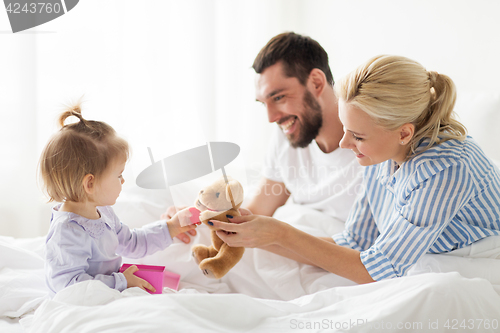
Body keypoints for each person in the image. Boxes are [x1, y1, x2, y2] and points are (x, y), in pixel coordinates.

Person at [210, 55, 500, 284]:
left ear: (404, 133)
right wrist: (260, 236)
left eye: (357, 136)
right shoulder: (381, 155)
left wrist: (282, 234)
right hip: (424, 253)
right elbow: (356, 243)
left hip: (479, 259)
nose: (344, 143)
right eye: (346, 129)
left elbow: (378, 269)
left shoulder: (445, 170)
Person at [169, 32, 362, 243]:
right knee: (175, 235)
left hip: (329, 251)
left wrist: (279, 237)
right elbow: (257, 211)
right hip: (295, 243)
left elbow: (368, 250)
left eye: (279, 97)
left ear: (316, 83)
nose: (271, 118)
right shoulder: (289, 132)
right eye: (264, 103)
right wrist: (197, 217)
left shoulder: (372, 145)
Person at [39, 105, 198, 294]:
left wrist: (170, 227)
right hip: (80, 304)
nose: (123, 180)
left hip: (105, 293)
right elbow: (70, 287)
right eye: (118, 175)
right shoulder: (67, 230)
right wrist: (120, 281)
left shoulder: (103, 212)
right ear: (90, 184)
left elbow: (132, 243)